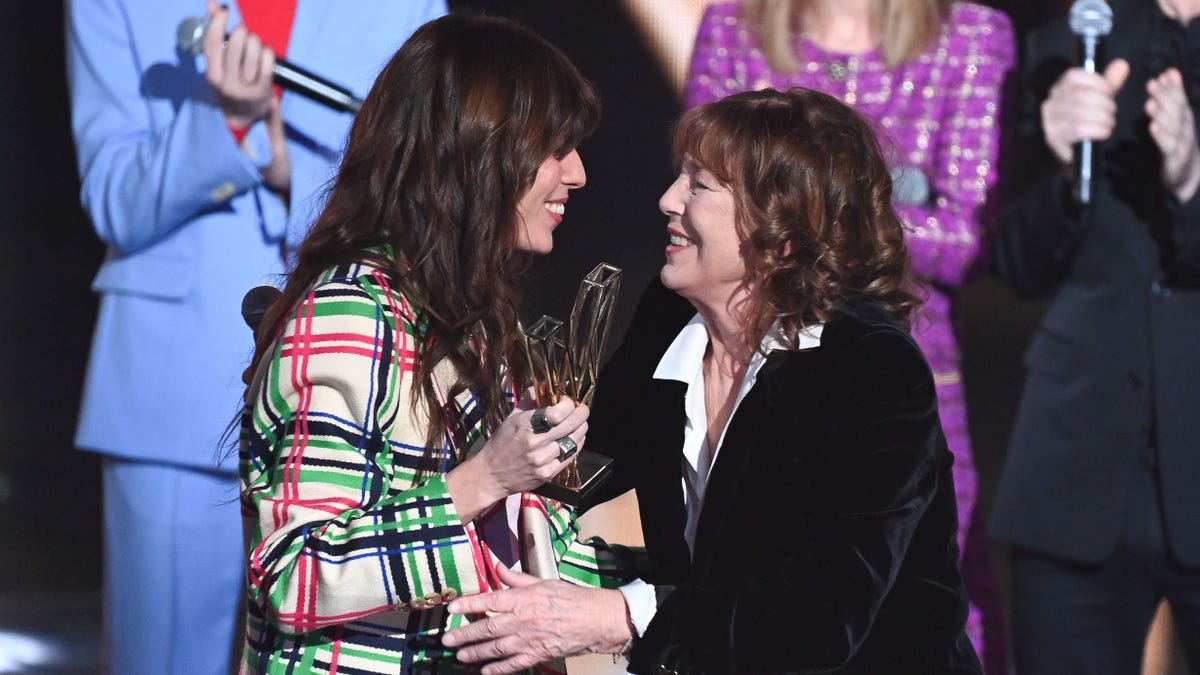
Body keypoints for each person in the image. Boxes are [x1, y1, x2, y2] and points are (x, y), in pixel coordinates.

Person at [441, 88, 982, 675]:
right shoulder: (670, 316)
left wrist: (612, 618)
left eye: (699, 185)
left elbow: (823, 616)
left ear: (783, 228)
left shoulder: (869, 367)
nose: (667, 200)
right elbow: (598, 475)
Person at [237, 13, 646, 673]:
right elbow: (292, 573)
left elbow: (518, 550)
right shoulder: (351, 316)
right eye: (554, 148)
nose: (576, 174)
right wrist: (483, 478)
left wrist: (677, 590)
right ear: (481, 150)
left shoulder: (477, 324)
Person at [65, 0, 444, 672]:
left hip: (357, 382)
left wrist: (283, 165)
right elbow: (113, 194)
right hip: (177, 385)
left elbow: (429, 177)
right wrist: (227, 127)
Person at [658, 2, 1014, 669]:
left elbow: (970, 236)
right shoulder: (733, 23)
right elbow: (711, 185)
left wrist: (824, 209)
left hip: (916, 365)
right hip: (746, 335)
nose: (668, 200)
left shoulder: (968, 34)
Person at [988, 0, 1200, 672]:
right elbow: (1015, 264)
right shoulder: (1067, 44)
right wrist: (1059, 171)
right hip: (1075, 465)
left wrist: (1192, 183)